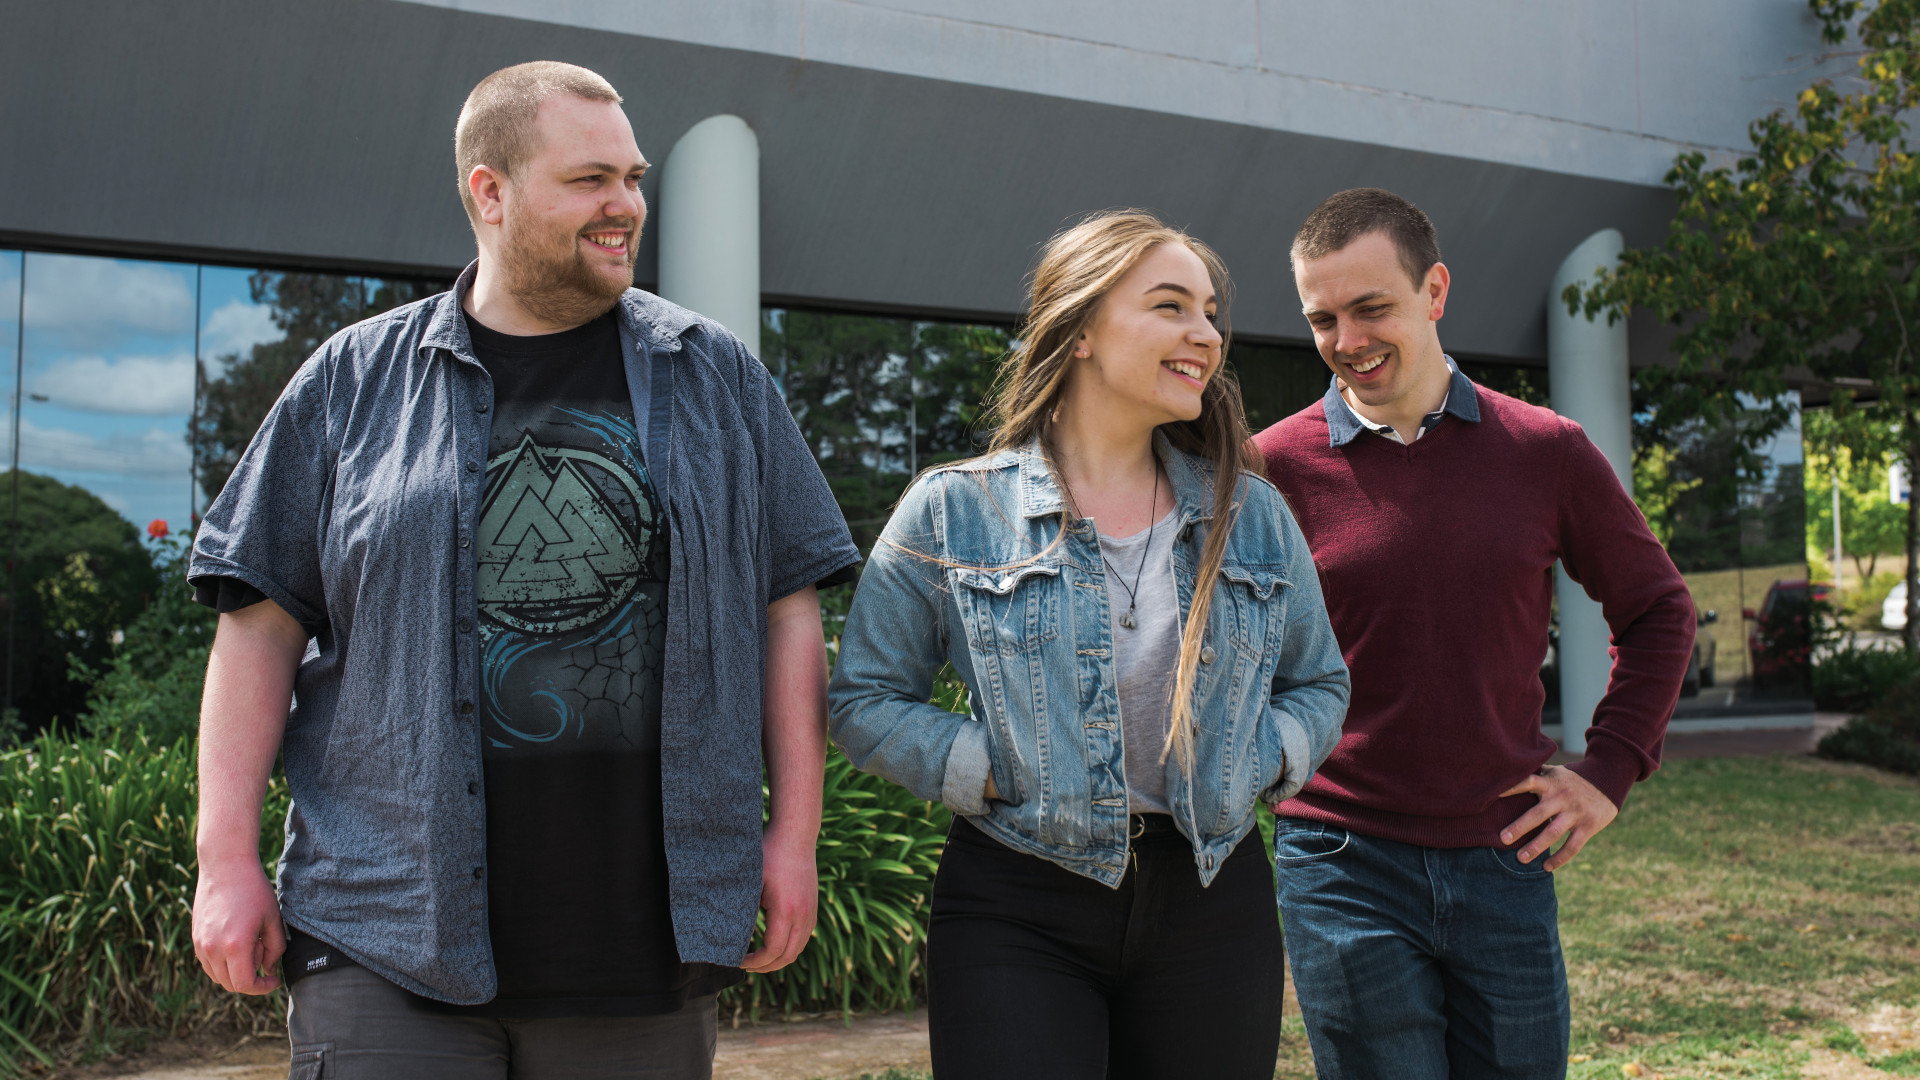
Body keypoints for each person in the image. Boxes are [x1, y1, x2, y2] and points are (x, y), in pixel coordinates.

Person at [188, 61, 859, 1079]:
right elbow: (258, 625)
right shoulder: (355, 381)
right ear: (488, 192)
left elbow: (788, 613)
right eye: (592, 180)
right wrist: (225, 860)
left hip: (641, 947)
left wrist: (793, 838)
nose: (626, 206)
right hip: (386, 933)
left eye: (634, 179)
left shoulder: (716, 375)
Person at [827, 210, 1350, 1079]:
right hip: (1016, 901)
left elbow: (1320, 682)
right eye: (1171, 306)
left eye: (1210, 312)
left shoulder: (1248, 513)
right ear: (1079, 332)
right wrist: (987, 765)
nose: (1206, 334)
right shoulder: (956, 510)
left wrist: (1256, 758)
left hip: (1214, 900)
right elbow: (863, 699)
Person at [1253, 188, 1695, 1079]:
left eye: (1372, 307)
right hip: (1341, 862)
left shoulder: (1545, 450)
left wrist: (1608, 769)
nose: (1349, 340)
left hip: (1504, 857)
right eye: (1323, 318)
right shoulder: (1271, 469)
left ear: (1435, 291)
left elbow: (1658, 610)